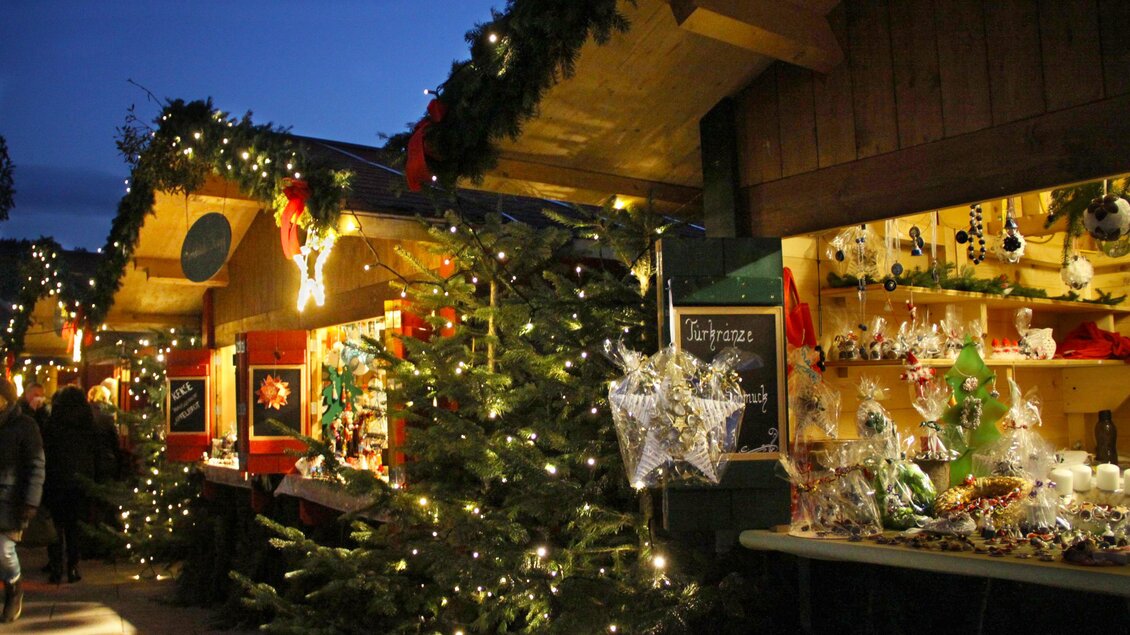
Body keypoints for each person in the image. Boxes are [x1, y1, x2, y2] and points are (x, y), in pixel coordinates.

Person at [43, 386, 108, 584]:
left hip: (55, 479)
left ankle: (56, 567)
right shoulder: (89, 425)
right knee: (74, 526)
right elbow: (97, 454)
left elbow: (45, 452)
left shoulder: (52, 425)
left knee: (55, 526)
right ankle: (73, 566)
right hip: (80, 481)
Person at [0, 377, 45, 623]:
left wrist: (30, 500)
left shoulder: (24, 425)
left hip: (10, 499)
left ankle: (14, 585)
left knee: (3, 551)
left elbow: (36, 463)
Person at [87, 385, 122, 481]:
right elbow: (115, 441)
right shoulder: (107, 415)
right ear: (104, 398)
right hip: (105, 460)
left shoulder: (84, 412)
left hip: (88, 461)